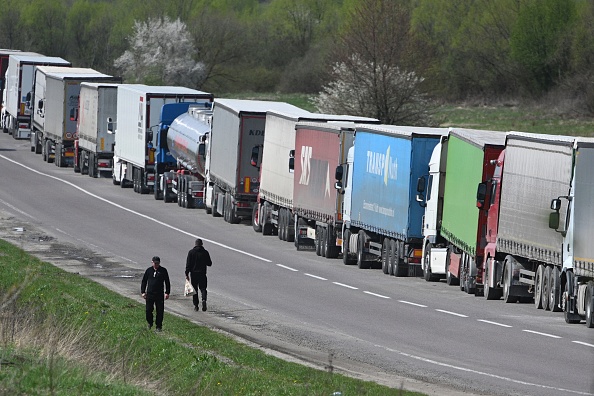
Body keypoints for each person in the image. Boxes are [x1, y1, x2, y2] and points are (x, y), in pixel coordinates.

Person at [141, 256, 170, 331]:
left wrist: (167, 292)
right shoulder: (149, 271)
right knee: (148, 310)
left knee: (160, 311)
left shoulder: (163, 271)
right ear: (152, 262)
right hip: (150, 294)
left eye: (157, 263)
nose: (156, 265)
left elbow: (167, 282)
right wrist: (143, 292)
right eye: (155, 263)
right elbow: (144, 281)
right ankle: (150, 323)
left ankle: (158, 326)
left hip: (159, 294)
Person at [185, 238, 212, 311]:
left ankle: (196, 305)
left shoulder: (191, 252)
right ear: (202, 244)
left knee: (195, 290)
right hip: (202, 273)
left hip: (193, 274)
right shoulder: (205, 252)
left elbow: (188, 264)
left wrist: (186, 273)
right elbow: (209, 263)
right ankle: (204, 299)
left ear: (195, 244)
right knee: (203, 288)